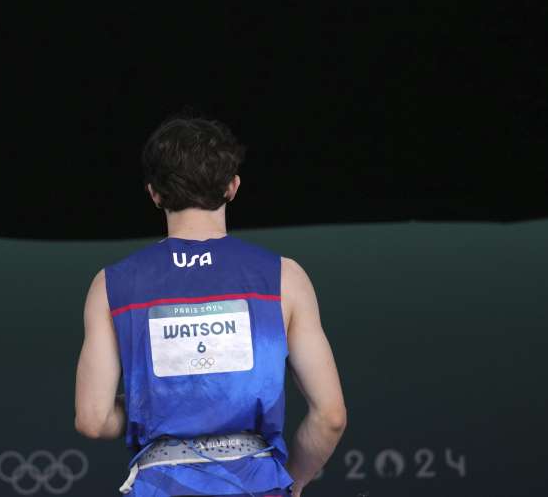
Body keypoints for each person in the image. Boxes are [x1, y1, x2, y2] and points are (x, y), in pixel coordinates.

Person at [74, 114, 347, 497]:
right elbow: (330, 416)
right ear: (232, 187)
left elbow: (93, 419)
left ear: (154, 193)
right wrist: (291, 484)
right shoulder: (285, 278)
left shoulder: (112, 285)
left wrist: (154, 400)